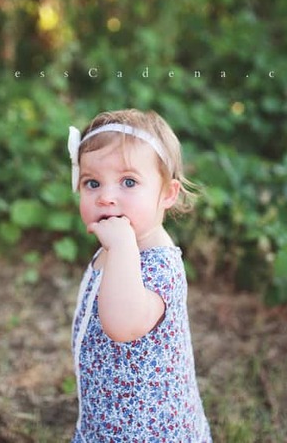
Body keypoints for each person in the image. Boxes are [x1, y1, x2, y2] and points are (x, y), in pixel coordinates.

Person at [67, 109, 211, 442]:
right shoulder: (119, 242)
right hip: (110, 413)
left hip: (147, 429)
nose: (106, 196)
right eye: (92, 183)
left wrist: (120, 248)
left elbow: (122, 325)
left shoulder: (159, 264)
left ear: (168, 194)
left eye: (129, 182)